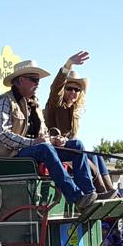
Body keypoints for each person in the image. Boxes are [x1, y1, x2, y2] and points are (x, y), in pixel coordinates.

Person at [0, 59, 97, 210]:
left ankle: (89, 194)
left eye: (38, 80)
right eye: (34, 80)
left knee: (76, 146)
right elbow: (2, 135)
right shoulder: (3, 101)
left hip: (32, 152)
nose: (38, 83)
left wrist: (55, 140)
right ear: (20, 80)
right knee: (44, 148)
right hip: (8, 158)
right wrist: (35, 143)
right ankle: (76, 197)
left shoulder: (34, 104)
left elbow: (43, 133)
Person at [43, 51, 115, 197]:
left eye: (77, 89)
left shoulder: (74, 112)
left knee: (96, 156)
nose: (73, 92)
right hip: (55, 150)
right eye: (69, 88)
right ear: (63, 90)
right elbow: (55, 89)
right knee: (81, 151)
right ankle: (99, 191)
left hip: (70, 150)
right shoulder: (55, 105)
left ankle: (110, 191)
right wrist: (68, 65)